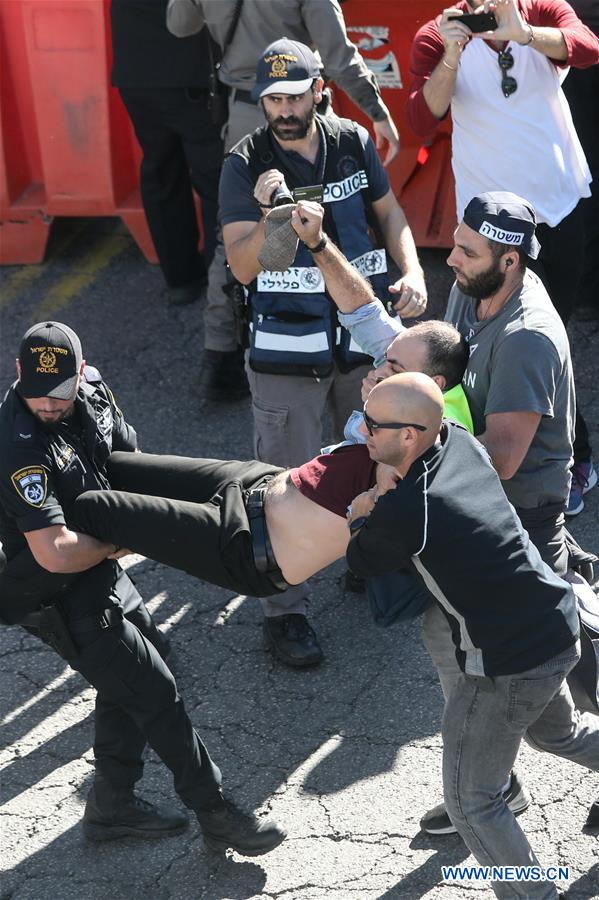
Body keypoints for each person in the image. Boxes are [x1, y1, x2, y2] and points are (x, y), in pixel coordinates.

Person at [288, 192, 598, 832]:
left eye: (466, 250)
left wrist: (400, 466)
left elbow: (504, 459)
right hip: (457, 510)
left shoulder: (528, 337)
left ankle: (484, 799)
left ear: (509, 261)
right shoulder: (472, 289)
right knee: (457, 653)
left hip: (518, 521)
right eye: (454, 242)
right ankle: (488, 782)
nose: (449, 257)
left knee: (547, 683)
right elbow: (418, 358)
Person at [0, 321, 285, 856]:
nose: (48, 406)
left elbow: (129, 463)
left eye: (59, 394)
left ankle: (111, 804)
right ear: (17, 373)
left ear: (80, 374)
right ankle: (216, 812)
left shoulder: (94, 394)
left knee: (142, 669)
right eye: (36, 395)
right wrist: (121, 540)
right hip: (61, 593)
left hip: (101, 569)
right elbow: (55, 551)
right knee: (154, 692)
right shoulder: (14, 442)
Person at [346, 372, 599, 900]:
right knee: (559, 735)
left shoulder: (408, 510)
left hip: (508, 664)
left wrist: (361, 511)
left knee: (473, 802)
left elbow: (363, 560)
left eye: (372, 424)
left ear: (411, 435)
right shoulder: (458, 439)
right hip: (555, 624)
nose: (361, 430)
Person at [216, 38, 426, 667]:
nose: (282, 109)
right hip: (288, 355)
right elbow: (244, 267)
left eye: (293, 95)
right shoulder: (244, 164)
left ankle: (359, 554)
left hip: (359, 347)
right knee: (284, 483)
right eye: (272, 98)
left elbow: (390, 214)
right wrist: (269, 214)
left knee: (370, 457)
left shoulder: (355, 142)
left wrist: (412, 268)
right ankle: (285, 613)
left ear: (318, 91)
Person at [406, 0, 599, 516]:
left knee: (542, 341)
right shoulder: (438, 33)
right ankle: (477, 450)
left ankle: (571, 457)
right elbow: (422, 118)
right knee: (475, 339)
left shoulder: (542, 11)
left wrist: (526, 33)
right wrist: (452, 54)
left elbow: (588, 48)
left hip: (554, 213)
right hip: (488, 231)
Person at [166, 0, 402, 400]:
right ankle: (337, 339)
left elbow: (178, 25)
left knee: (239, 240)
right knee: (325, 223)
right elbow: (338, 53)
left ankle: (221, 358)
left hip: (248, 107)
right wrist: (376, 109)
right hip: (302, 111)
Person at [111, 0, 222, 305]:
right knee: (215, 180)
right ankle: (221, 286)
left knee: (160, 172)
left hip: (134, 71)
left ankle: (181, 280)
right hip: (189, 70)